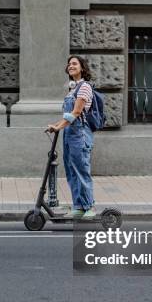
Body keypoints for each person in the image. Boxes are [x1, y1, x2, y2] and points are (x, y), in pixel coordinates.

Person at [47, 55, 95, 219]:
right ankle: (78, 206)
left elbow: (76, 112)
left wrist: (58, 126)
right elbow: (67, 115)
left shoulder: (85, 87)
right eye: (69, 64)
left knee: (81, 170)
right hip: (69, 133)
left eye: (74, 63)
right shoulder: (73, 88)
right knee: (71, 171)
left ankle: (89, 207)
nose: (70, 66)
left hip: (80, 134)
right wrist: (57, 125)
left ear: (82, 67)